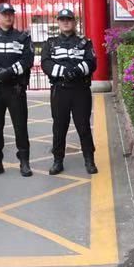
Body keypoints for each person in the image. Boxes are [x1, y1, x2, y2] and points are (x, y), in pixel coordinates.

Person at [0, 3, 36, 177]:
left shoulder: (23, 38)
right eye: (4, 14)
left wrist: (9, 72)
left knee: (20, 127)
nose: (8, 17)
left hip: (15, 89)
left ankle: (24, 162)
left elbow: (28, 60)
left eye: (11, 13)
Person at [42, 9, 98, 175]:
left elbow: (92, 62)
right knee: (59, 127)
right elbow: (46, 63)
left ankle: (89, 160)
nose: (66, 22)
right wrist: (63, 72)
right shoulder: (50, 43)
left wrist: (77, 71)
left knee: (83, 126)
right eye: (62, 19)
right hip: (60, 91)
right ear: (58, 22)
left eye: (69, 19)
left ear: (74, 22)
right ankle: (57, 160)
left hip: (80, 90)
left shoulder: (85, 42)